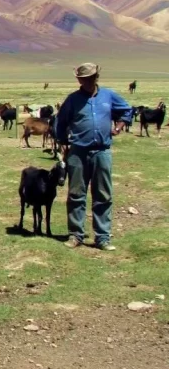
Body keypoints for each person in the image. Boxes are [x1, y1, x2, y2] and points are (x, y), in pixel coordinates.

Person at [55, 63, 132, 251]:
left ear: (96, 77)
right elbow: (60, 122)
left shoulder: (108, 95)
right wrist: (64, 142)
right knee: (76, 195)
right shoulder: (72, 100)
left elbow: (127, 110)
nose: (88, 81)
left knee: (103, 195)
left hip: (102, 151)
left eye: (91, 77)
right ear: (79, 80)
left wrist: (119, 127)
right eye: (84, 78)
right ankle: (76, 235)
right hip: (78, 153)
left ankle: (103, 237)